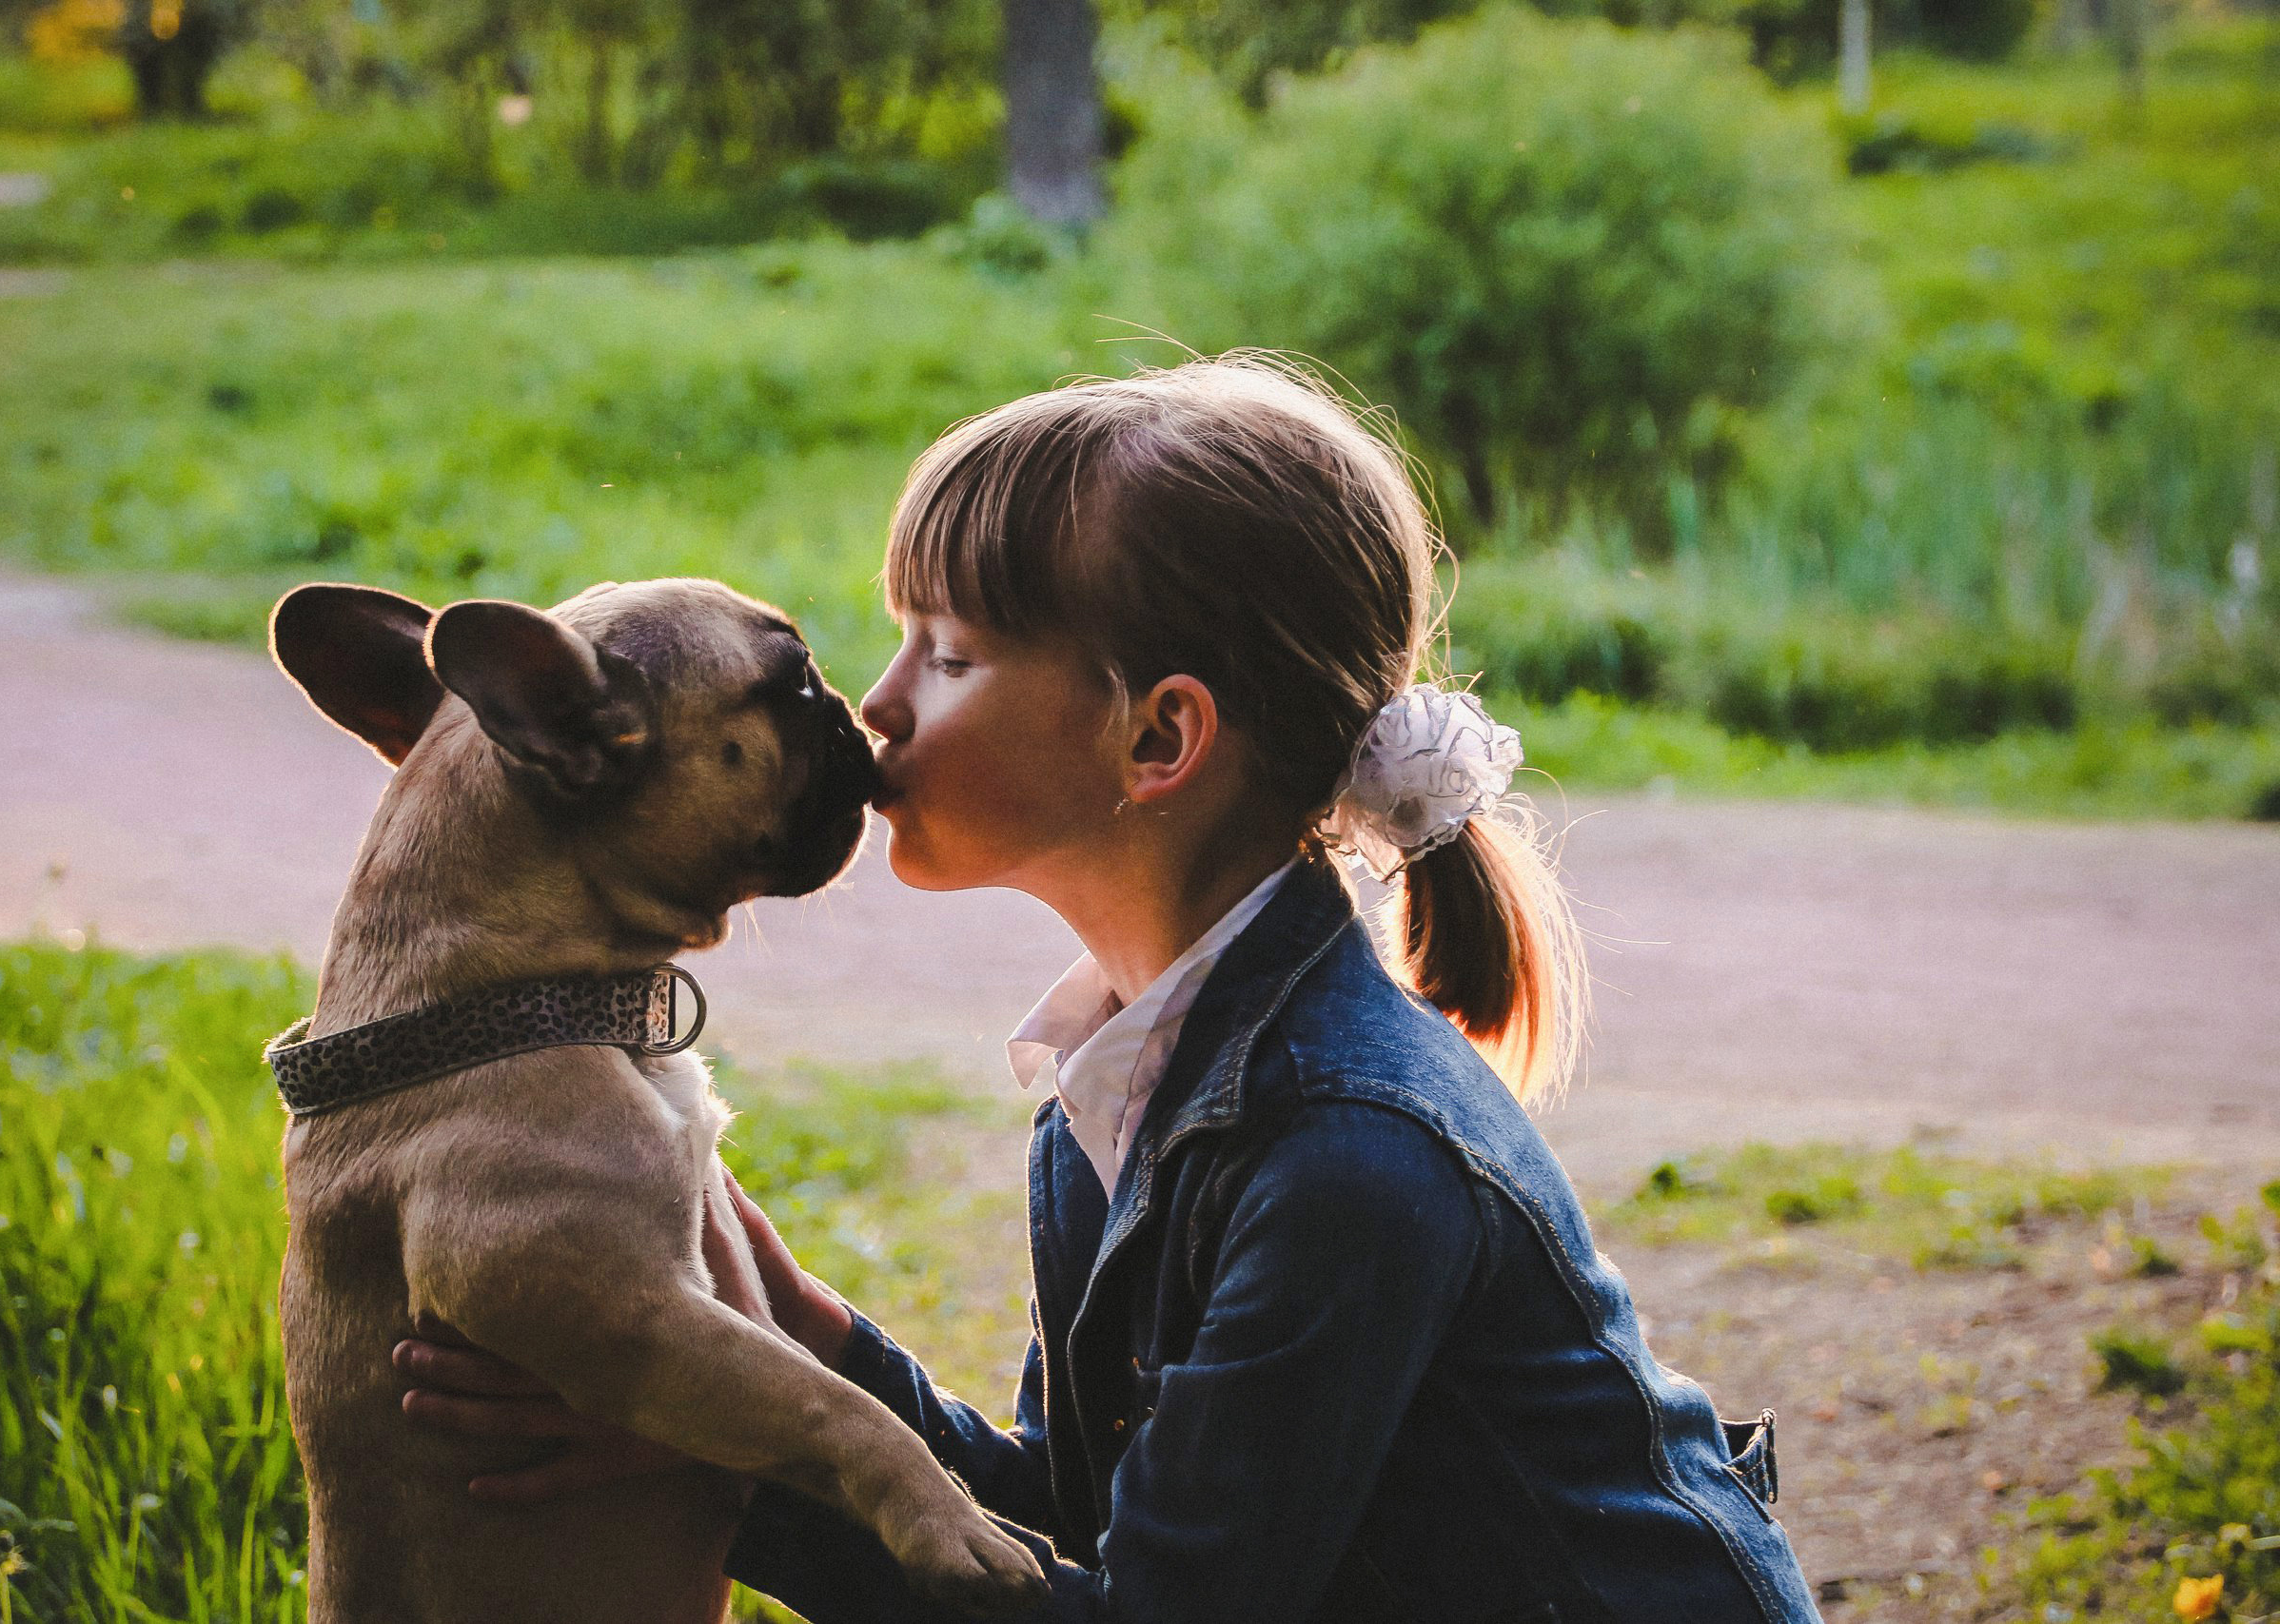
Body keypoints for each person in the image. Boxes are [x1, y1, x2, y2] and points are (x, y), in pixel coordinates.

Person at [395, 358, 1825, 1622]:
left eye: (946, 656)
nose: (874, 707)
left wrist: (727, 1477)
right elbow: (1081, 1524)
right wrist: (803, 1338)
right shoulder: (1128, 1076)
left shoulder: (1348, 1155)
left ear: (1160, 739)